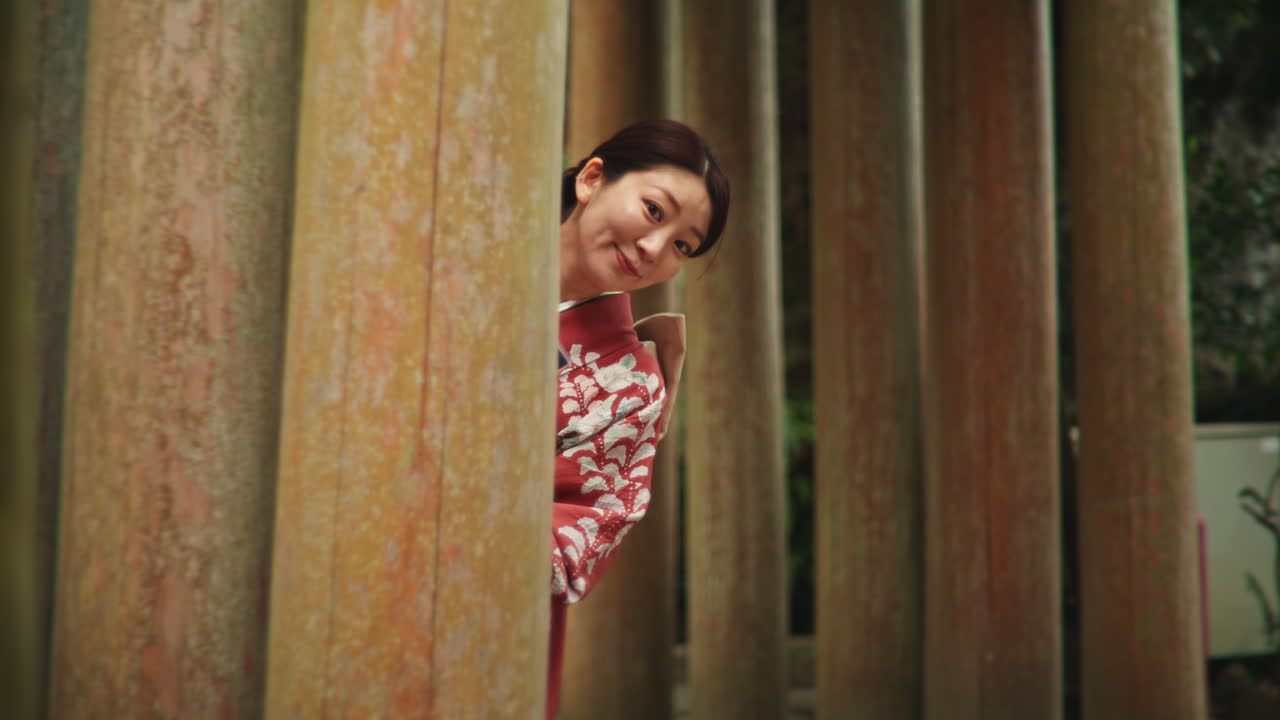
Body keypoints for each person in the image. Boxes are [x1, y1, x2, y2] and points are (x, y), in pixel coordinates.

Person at [548, 119, 729, 718]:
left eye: (683, 245)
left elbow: (570, 542)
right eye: (655, 211)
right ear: (593, 178)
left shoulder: (629, 388)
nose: (656, 249)